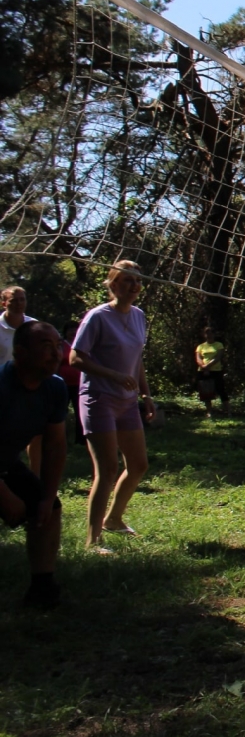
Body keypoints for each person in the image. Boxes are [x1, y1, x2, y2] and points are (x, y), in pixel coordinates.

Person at [71, 260, 156, 551]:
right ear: (113, 284)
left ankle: (114, 519)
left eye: (137, 280)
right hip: (98, 398)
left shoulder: (139, 316)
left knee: (138, 465)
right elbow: (75, 359)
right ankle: (92, 541)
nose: (133, 285)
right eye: (126, 280)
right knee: (107, 470)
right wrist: (114, 376)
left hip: (127, 402)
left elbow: (138, 360)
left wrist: (146, 395)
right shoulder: (97, 317)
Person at [0, 321, 67, 608]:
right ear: (20, 353)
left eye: (58, 346)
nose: (56, 354)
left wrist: (47, 495)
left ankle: (42, 588)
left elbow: (54, 446)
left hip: (4, 463)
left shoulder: (54, 388)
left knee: (48, 508)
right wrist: (3, 494)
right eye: (46, 346)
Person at [194, 325, 229, 417]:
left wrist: (207, 366)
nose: (209, 335)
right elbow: (198, 358)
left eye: (211, 333)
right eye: (207, 333)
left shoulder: (219, 345)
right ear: (204, 335)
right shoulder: (200, 346)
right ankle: (209, 412)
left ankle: (228, 411)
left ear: (214, 334)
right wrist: (203, 367)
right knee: (206, 392)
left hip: (216, 370)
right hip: (202, 371)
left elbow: (218, 357)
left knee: (221, 390)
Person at [0, 286, 37, 367]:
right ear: (4, 304)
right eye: (14, 300)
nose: (19, 303)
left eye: (22, 299)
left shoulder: (34, 325)